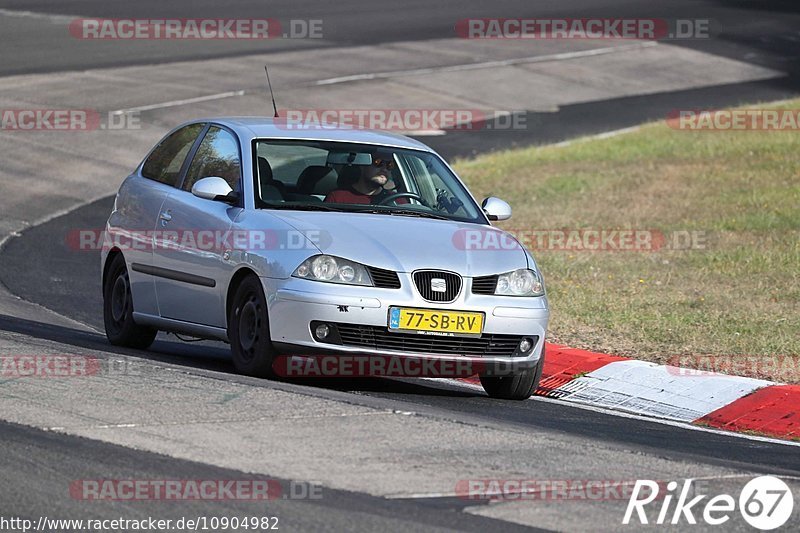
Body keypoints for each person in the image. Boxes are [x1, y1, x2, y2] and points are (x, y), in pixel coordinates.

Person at [324, 154, 406, 204]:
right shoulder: (337, 198)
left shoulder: (397, 201)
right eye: (378, 162)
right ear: (362, 165)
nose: (384, 169)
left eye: (390, 165)